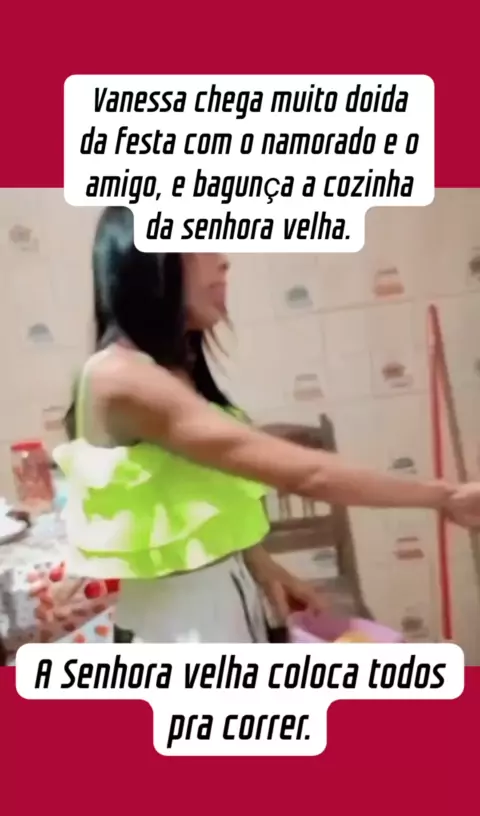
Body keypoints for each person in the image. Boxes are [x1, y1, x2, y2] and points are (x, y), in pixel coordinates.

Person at [57, 207, 480, 644]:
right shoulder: (120, 378)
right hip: (178, 633)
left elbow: (190, 499)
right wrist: (444, 496)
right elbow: (307, 474)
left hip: (217, 611)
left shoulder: (166, 371)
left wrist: (263, 567)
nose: (224, 261)